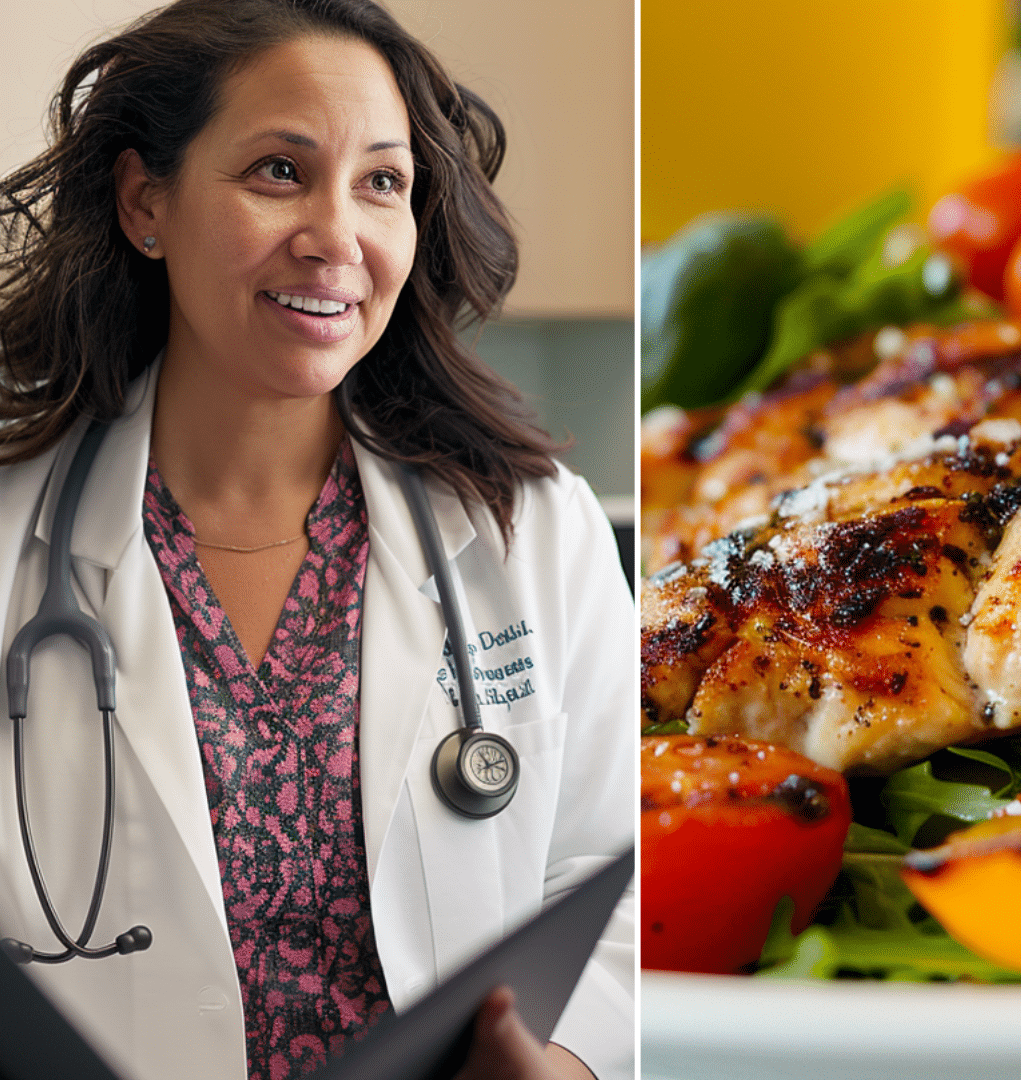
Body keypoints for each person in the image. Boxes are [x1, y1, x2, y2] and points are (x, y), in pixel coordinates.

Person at [0, 3, 633, 1079]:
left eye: (382, 182)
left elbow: (620, 876)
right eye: (279, 172)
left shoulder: (529, 528)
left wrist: (565, 1064)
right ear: (145, 200)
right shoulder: (18, 540)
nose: (337, 235)